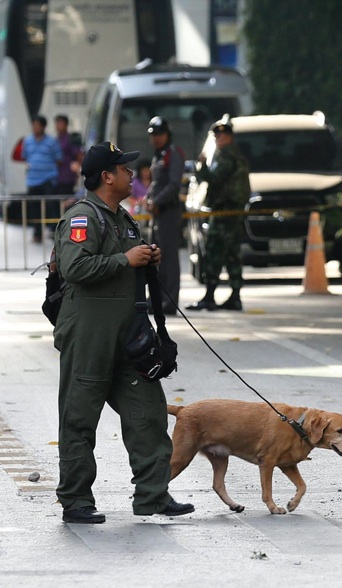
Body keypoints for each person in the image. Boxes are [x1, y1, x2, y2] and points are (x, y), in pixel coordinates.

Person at [52, 141, 195, 524]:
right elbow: (75, 267)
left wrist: (145, 258)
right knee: (80, 418)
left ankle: (153, 495)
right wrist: (124, 259)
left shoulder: (122, 218)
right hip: (89, 333)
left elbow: (126, 263)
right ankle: (76, 500)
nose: (133, 174)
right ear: (106, 176)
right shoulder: (83, 218)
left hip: (127, 335)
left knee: (148, 412)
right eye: (125, 168)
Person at [187, 115, 250, 311]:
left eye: (222, 135)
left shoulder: (226, 157)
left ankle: (210, 296)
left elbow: (213, 179)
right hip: (232, 213)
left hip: (224, 214)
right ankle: (235, 296)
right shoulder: (234, 155)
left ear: (229, 137)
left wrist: (202, 166)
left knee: (214, 252)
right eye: (216, 136)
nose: (219, 139)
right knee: (232, 255)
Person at [146, 116, 186, 314]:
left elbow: (173, 184)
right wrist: (148, 198)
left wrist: (156, 201)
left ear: (167, 134)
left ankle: (169, 303)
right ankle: (155, 299)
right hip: (158, 213)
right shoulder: (158, 155)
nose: (157, 138)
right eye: (154, 135)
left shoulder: (173, 153)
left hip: (168, 211)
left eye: (160, 134)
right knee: (154, 257)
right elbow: (156, 183)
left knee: (168, 259)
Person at [21, 115, 62, 242]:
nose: (35, 128)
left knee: (50, 205)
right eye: (34, 125)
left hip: (47, 178)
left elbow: (59, 159)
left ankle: (53, 231)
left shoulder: (51, 142)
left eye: (38, 125)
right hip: (32, 179)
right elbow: (25, 157)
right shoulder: (27, 141)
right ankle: (37, 233)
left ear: (44, 127)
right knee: (34, 207)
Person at [54, 115, 81, 198]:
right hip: (57, 175)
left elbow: (78, 155)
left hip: (68, 175)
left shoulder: (70, 139)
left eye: (61, 123)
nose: (58, 126)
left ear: (66, 125)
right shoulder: (56, 139)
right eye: (57, 124)